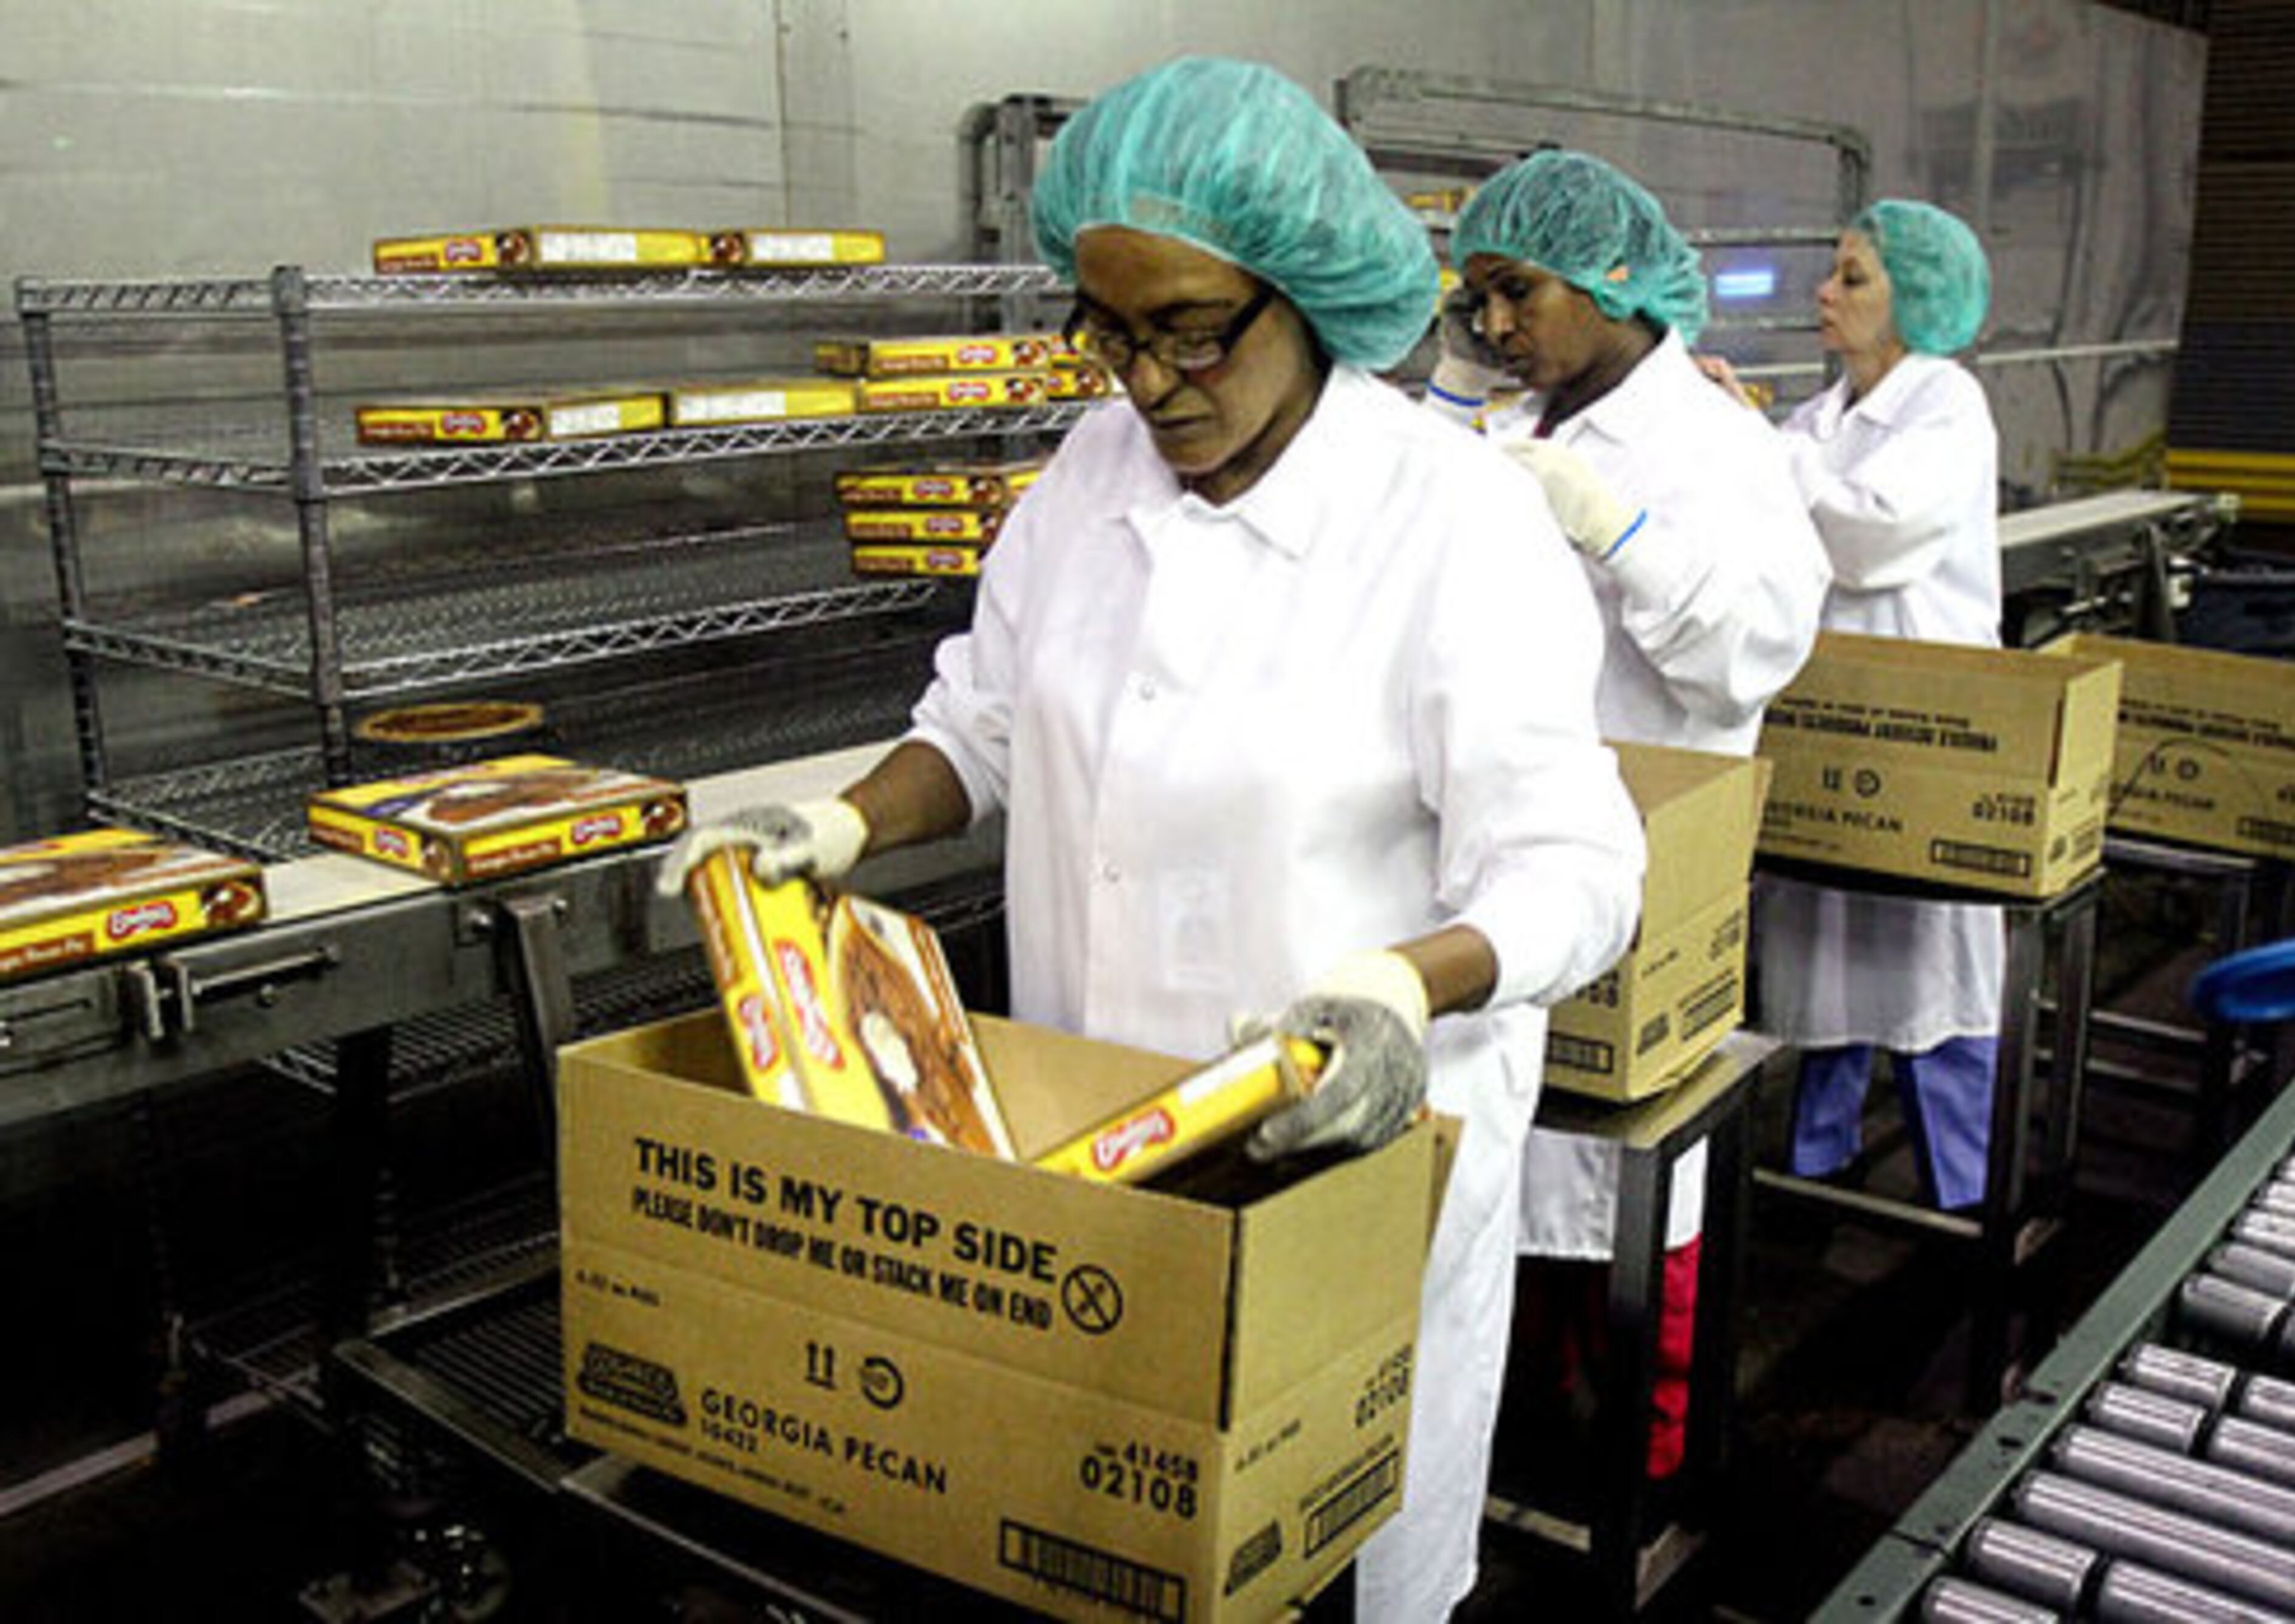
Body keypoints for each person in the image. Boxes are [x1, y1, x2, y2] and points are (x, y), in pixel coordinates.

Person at [658, 58, 1645, 1624]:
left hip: (1336, 1182)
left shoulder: (1450, 523)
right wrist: (844, 820)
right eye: (1109, 331)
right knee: (1093, 1557)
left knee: (1309, 1574)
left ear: (1306, 294)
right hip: (1090, 1172)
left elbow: (1581, 871)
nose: (1147, 382)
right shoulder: (1090, 474)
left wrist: (1404, 985)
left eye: (1191, 330)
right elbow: (984, 720)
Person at [1425, 149, 1830, 1484]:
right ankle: (1524, 1440)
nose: (1493, 327)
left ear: (1610, 281)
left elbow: (1757, 648)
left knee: (1630, 1204)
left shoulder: (1711, 442)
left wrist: (1615, 525)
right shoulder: (1512, 424)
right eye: (1476, 299)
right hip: (1499, 867)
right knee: (1504, 1187)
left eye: (1515, 292)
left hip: (1650, 878)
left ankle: (1652, 1475)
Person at [1721, 199, 2006, 1212]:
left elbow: (1871, 533)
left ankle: (1964, 1193)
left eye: (1853, 279)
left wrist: (1756, 446)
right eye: (1834, 273)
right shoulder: (1820, 414)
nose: (1825, 295)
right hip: (1834, 716)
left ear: (1914, 303)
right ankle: (1817, 1167)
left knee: (1933, 960)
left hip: (1927, 726)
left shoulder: (1947, 405)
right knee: (1825, 956)